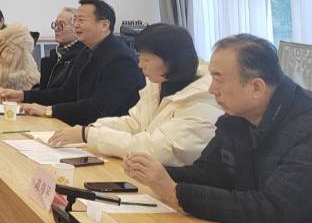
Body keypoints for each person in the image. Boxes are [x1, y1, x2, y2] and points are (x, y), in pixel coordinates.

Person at [124, 34, 312, 223]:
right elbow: (208, 173)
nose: (211, 90)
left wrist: (176, 193)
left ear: (256, 87)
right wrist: (156, 174)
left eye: (218, 79)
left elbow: (272, 209)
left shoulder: (305, 127)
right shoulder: (236, 117)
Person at [48, 23, 222, 165]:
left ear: (171, 61)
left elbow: (156, 149)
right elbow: (135, 123)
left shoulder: (202, 102)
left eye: (146, 59)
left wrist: (89, 135)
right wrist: (93, 128)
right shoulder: (159, 85)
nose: (140, 65)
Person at [0, 0, 143, 125]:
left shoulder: (121, 60)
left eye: (81, 20)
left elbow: (99, 107)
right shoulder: (86, 51)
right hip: (83, 129)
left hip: (107, 135)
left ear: (104, 25)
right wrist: (23, 95)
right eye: (75, 20)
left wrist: (49, 111)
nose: (76, 25)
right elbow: (65, 93)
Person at [35, 7, 85, 90]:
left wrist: (25, 95)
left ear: (76, 29)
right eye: (55, 24)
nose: (56, 29)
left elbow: (63, 94)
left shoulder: (83, 58)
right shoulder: (54, 57)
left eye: (61, 25)